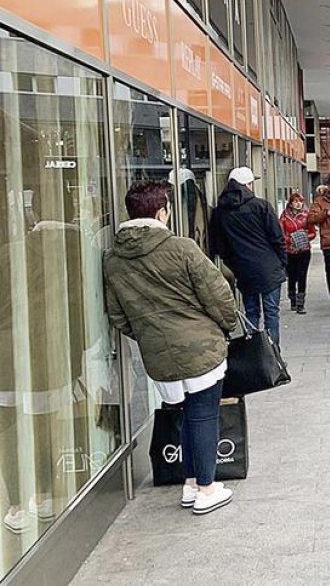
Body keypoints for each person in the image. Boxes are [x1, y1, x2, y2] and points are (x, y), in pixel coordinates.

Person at [103, 181, 240, 515]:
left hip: (159, 356)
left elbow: (118, 316)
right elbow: (218, 294)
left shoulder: (113, 260)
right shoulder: (182, 248)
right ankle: (206, 488)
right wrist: (225, 326)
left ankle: (191, 483)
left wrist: (152, 336)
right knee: (204, 415)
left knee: (185, 415)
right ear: (161, 211)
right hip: (200, 348)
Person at [209, 167, 287, 342]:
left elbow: (220, 246)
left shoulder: (220, 211)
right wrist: (281, 262)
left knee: (251, 312)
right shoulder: (261, 205)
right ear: (248, 184)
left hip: (243, 269)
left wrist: (235, 265)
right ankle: (272, 352)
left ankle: (254, 350)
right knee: (271, 313)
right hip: (269, 267)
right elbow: (277, 237)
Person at [308, 174, 330, 314]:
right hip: (329, 242)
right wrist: (326, 213)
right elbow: (311, 218)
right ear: (329, 186)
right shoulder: (320, 201)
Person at [279, 192, 316, 315]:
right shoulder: (284, 216)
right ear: (290, 203)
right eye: (295, 201)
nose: (298, 204)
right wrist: (291, 239)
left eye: (300, 201)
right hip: (290, 250)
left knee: (302, 275)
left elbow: (313, 233)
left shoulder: (306, 215)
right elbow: (281, 234)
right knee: (292, 275)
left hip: (304, 250)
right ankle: (292, 297)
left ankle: (301, 303)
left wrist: (303, 238)